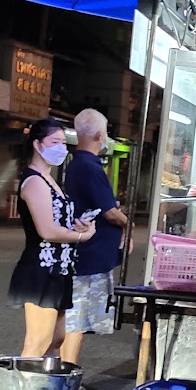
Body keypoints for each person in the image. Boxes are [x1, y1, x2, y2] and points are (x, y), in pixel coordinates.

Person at [11, 118, 95, 364]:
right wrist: (82, 236)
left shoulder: (50, 180)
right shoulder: (35, 181)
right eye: (54, 142)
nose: (61, 148)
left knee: (56, 340)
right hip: (41, 269)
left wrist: (78, 224)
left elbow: (56, 222)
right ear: (37, 144)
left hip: (60, 268)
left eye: (62, 142)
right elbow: (47, 230)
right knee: (38, 341)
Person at [64, 109, 129, 358]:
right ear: (100, 134)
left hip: (87, 253)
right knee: (76, 320)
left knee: (76, 319)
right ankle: (65, 375)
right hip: (89, 256)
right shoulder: (89, 166)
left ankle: (64, 373)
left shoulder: (77, 164)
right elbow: (110, 212)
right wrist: (128, 225)